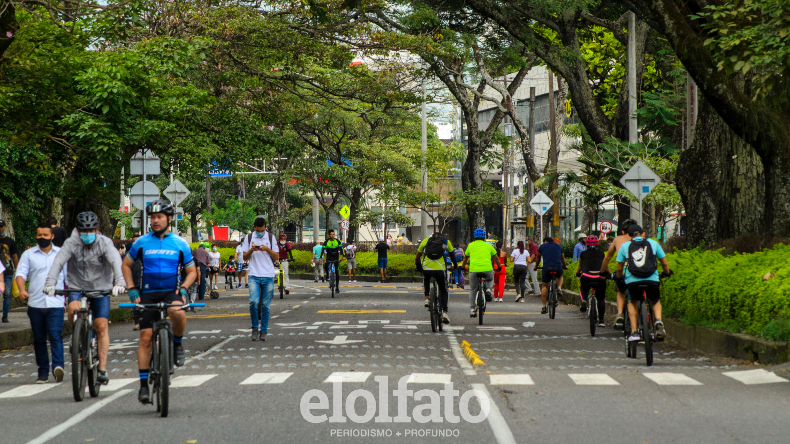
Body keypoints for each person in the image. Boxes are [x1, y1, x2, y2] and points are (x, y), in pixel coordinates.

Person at [121, 200, 196, 403]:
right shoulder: (141, 242)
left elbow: (192, 271)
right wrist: (131, 288)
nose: (155, 221)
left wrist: (184, 288)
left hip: (171, 291)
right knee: (145, 337)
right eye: (152, 217)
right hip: (147, 293)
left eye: (159, 217)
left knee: (178, 312)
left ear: (169, 219)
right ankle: (143, 386)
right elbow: (126, 265)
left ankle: (177, 344)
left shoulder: (180, 243)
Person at [44, 211, 126, 387]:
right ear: (78, 230)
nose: (87, 234)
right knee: (73, 309)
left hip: (101, 288)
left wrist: (120, 282)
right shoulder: (71, 243)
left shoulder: (105, 243)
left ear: (97, 230)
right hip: (77, 286)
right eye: (84, 231)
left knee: (101, 326)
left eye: (91, 230)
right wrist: (50, 283)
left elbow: (116, 262)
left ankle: (102, 369)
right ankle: (77, 335)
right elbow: (58, 262)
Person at [15, 223, 68, 383]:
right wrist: (22, 289)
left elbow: (69, 277)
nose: (42, 238)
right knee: (39, 339)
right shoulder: (28, 254)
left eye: (45, 235)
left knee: (55, 335)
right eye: (39, 235)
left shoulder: (62, 254)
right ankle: (43, 372)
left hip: (56, 303)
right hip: (36, 303)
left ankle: (58, 367)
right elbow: (21, 273)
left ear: (52, 236)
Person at [616, 224, 671, 342]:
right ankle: (658, 321)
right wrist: (666, 272)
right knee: (655, 300)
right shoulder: (653, 243)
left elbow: (619, 268)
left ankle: (634, 332)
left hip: (632, 281)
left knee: (632, 301)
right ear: (643, 234)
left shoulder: (625, 246)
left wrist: (619, 278)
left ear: (629, 236)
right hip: (652, 279)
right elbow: (664, 263)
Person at [241, 215, 279, 341]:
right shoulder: (249, 237)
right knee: (253, 301)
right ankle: (254, 328)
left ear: (265, 228)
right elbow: (244, 257)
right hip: (254, 275)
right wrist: (252, 250)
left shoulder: (271, 237)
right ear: (254, 228)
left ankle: (263, 330)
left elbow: (276, 256)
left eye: (262, 230)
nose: (260, 233)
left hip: (268, 275)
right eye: (258, 231)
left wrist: (267, 249)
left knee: (265, 305)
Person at [600, 219, 637, 329]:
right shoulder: (642, 240)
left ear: (623, 231)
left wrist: (602, 271)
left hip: (625, 269)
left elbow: (607, 257)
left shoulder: (618, 239)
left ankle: (620, 313)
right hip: (641, 270)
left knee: (620, 290)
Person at [415, 232, 456, 324]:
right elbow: (453, 256)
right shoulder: (446, 241)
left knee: (426, 278)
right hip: (440, 269)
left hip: (427, 268)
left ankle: (427, 298)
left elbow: (417, 258)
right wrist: (456, 266)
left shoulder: (425, 241)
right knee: (444, 290)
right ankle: (445, 313)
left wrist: (419, 268)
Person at [461, 228, 500, 317]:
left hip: (474, 270)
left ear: (474, 237)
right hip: (487, 269)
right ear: (484, 237)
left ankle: (472, 309)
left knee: (473, 290)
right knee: (490, 278)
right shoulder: (489, 246)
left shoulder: (470, 245)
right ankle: (489, 290)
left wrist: (463, 267)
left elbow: (465, 258)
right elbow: (496, 258)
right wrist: (499, 266)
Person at [577, 235, 607, 326]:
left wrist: (577, 273)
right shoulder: (601, 253)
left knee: (583, 288)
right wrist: (608, 274)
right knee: (601, 299)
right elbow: (606, 266)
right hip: (599, 277)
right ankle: (601, 321)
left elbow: (580, 266)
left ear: (587, 244)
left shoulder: (583, 254)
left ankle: (584, 299)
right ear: (597, 244)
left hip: (586, 276)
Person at [534, 237, 567, 314]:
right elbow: (562, 258)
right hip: (557, 267)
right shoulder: (558, 246)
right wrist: (565, 266)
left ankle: (544, 306)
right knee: (560, 276)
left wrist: (536, 266)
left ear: (545, 241)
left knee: (545, 286)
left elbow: (538, 257)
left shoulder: (542, 246)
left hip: (547, 268)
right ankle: (559, 288)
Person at [0, 219, 19, 323]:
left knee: (7, 294)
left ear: (5, 227)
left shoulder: (10, 241)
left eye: (1, 226)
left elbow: (14, 257)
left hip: (8, 271)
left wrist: (18, 271)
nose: (0, 229)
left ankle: (5, 315)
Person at [125, 231, 142, 330]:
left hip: (144, 281)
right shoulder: (129, 256)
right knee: (135, 303)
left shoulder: (145, 253)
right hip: (134, 281)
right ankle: (137, 321)